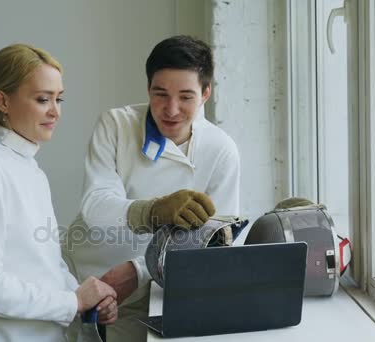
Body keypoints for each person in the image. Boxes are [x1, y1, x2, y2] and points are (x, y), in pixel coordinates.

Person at [62, 35, 241, 342]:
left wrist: (139, 271)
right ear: (148, 89)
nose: (171, 109)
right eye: (160, 94)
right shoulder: (115, 125)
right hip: (82, 281)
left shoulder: (221, 150)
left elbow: (215, 245)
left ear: (205, 93)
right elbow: (96, 206)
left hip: (154, 291)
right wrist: (154, 210)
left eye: (186, 97)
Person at [0, 43, 118, 342]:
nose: (55, 111)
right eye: (42, 99)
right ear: (3, 101)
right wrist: (72, 302)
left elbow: (47, 266)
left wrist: (85, 300)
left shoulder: (32, 171)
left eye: (59, 99)